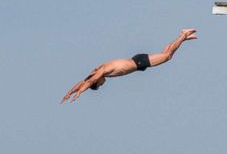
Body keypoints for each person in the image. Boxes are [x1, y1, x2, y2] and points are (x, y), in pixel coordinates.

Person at [60, 29, 198, 103]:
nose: (103, 84)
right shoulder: (96, 71)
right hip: (137, 63)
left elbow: (89, 82)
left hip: (138, 62)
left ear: (97, 81)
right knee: (165, 54)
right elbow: (83, 81)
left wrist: (79, 93)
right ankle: (183, 38)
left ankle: (183, 34)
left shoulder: (100, 72)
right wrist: (69, 93)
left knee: (167, 56)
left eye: (100, 84)